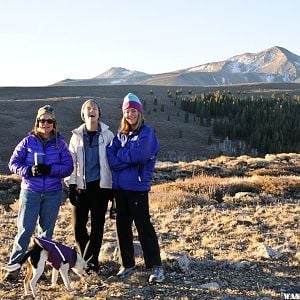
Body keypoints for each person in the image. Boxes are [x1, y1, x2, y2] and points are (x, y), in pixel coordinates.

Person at [3, 105, 73, 281]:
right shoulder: (27, 142)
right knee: (24, 231)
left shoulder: (60, 143)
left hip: (52, 193)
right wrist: (28, 171)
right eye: (42, 120)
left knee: (45, 235)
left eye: (49, 121)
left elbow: (68, 167)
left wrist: (50, 169)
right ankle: (13, 268)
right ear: (37, 122)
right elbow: (13, 164)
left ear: (54, 123)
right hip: (31, 192)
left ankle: (38, 269)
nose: (46, 123)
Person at [106, 93, 165, 283]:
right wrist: (127, 156)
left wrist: (123, 156)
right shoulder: (120, 135)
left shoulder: (146, 133)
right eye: (127, 111)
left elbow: (138, 156)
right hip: (120, 189)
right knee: (122, 227)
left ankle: (156, 267)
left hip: (137, 188)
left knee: (143, 226)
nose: (130, 114)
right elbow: (110, 157)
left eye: (134, 111)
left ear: (139, 113)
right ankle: (127, 265)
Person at [65, 99, 114, 274]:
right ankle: (87, 260)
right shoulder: (76, 136)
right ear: (83, 115)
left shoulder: (108, 135)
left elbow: (112, 162)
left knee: (98, 227)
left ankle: (90, 265)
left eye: (94, 109)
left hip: (101, 188)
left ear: (99, 113)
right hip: (81, 187)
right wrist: (71, 186)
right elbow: (71, 163)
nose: (91, 111)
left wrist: (112, 188)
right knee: (78, 227)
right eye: (88, 109)